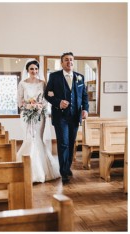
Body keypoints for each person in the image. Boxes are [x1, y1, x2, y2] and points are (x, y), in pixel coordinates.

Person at [44, 52, 88, 183]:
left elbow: (84, 96)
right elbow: (48, 95)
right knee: (63, 143)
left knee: (70, 143)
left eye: (71, 60)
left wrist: (85, 109)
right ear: (62, 63)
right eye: (66, 60)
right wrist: (58, 102)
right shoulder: (54, 76)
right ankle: (63, 172)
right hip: (60, 117)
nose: (69, 62)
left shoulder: (80, 77)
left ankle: (67, 167)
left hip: (75, 116)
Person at [17, 60, 61, 183]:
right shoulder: (22, 84)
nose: (34, 71)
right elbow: (20, 101)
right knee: (29, 138)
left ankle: (42, 170)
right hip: (27, 115)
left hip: (40, 115)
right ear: (27, 70)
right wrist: (28, 106)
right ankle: (28, 170)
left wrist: (39, 106)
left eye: (36, 69)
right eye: (31, 69)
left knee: (38, 139)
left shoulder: (43, 83)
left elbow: (46, 99)